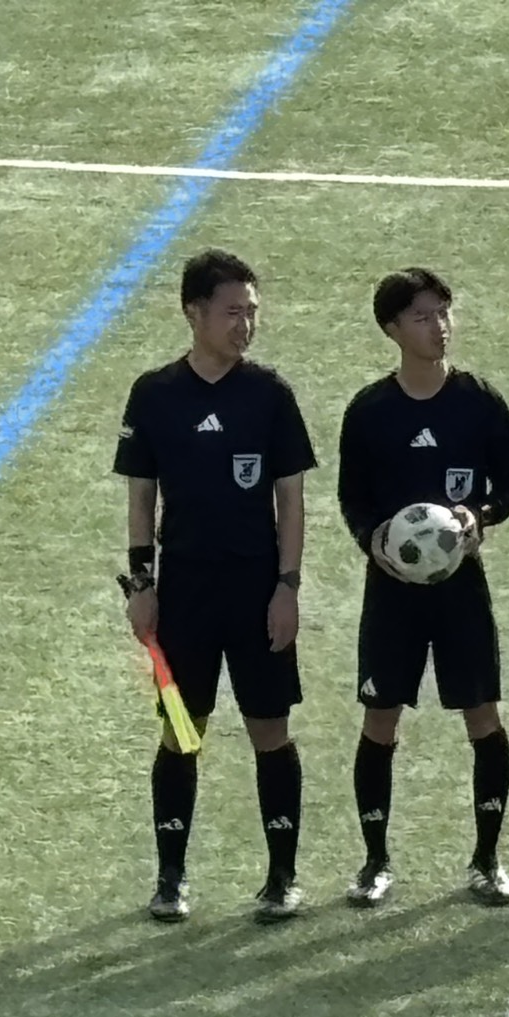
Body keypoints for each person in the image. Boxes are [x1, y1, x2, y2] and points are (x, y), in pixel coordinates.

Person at [113, 249, 318, 923]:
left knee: (271, 731)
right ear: (193, 313)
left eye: (251, 312)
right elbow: (141, 498)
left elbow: (291, 501)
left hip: (256, 593)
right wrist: (142, 584)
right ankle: (170, 878)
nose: (245, 325)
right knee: (181, 731)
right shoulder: (155, 394)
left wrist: (287, 587)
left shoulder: (270, 394)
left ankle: (281, 878)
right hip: (184, 596)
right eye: (232, 312)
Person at [336, 268, 509, 907]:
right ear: (392, 328)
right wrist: (373, 540)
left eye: (444, 312)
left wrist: (481, 515)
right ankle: (374, 862)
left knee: (483, 715)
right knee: (380, 718)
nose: (438, 326)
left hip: (460, 587)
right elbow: (352, 498)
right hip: (391, 591)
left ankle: (487, 860)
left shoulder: (479, 400)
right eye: (422, 316)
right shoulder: (370, 411)